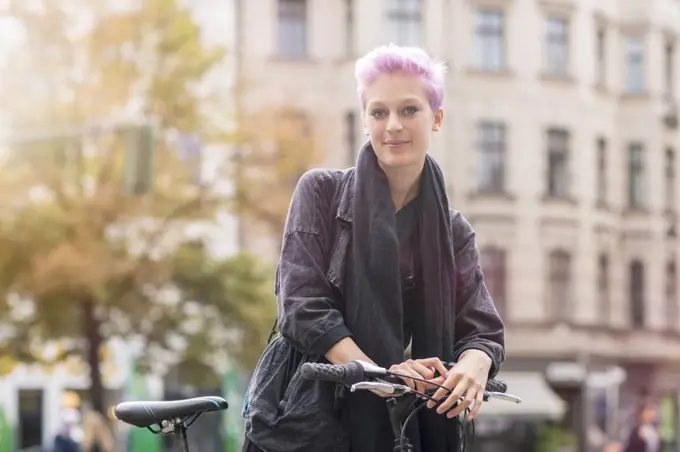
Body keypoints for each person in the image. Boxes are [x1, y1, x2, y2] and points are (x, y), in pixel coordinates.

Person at [241, 44, 505, 452]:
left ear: (437, 118)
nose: (393, 125)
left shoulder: (453, 231)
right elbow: (301, 307)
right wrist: (380, 373)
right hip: (304, 415)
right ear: (365, 121)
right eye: (379, 112)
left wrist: (475, 364)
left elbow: (482, 328)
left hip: (398, 418)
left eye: (409, 110)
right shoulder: (320, 193)